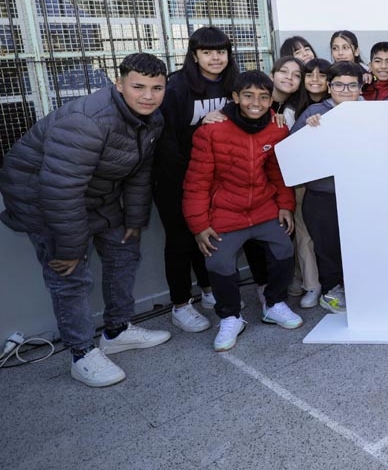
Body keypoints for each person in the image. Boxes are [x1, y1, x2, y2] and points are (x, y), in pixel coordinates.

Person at [0, 53, 171, 387]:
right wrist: (69, 247)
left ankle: (117, 331)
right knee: (69, 274)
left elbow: (140, 171)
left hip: (94, 195)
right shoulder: (87, 120)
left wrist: (134, 218)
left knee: (124, 251)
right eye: (138, 86)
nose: (149, 95)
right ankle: (81, 354)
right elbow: (60, 190)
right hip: (42, 199)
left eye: (157, 87)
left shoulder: (154, 118)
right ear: (119, 84)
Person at [183, 70, 303, 351]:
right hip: (226, 212)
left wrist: (285, 205)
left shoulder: (277, 127)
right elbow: (196, 183)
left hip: (263, 207)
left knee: (284, 249)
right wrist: (199, 225)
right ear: (235, 97)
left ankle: (274, 303)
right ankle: (230, 316)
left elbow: (278, 172)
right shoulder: (211, 130)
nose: (256, 103)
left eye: (263, 96)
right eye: (248, 95)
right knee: (218, 262)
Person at [154, 27, 241, 334]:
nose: (215, 58)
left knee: (208, 236)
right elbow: (166, 140)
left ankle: (207, 289)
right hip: (175, 178)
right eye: (207, 52)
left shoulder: (233, 84)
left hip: (215, 179)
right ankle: (180, 305)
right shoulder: (177, 87)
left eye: (221, 51)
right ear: (194, 55)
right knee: (179, 240)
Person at [291, 61, 367, 314]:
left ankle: (358, 288)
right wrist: (310, 131)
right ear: (329, 86)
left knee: (358, 243)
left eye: (351, 85)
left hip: (359, 193)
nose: (345, 90)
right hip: (324, 195)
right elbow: (293, 151)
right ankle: (331, 291)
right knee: (328, 246)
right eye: (338, 85)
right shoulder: (314, 112)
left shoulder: (371, 111)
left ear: (360, 86)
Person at [269, 56, 320, 309]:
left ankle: (309, 281)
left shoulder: (325, 105)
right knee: (301, 233)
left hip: (319, 178)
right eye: (308, 75)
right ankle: (307, 282)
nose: (314, 81)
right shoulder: (283, 109)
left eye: (297, 74)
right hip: (290, 179)